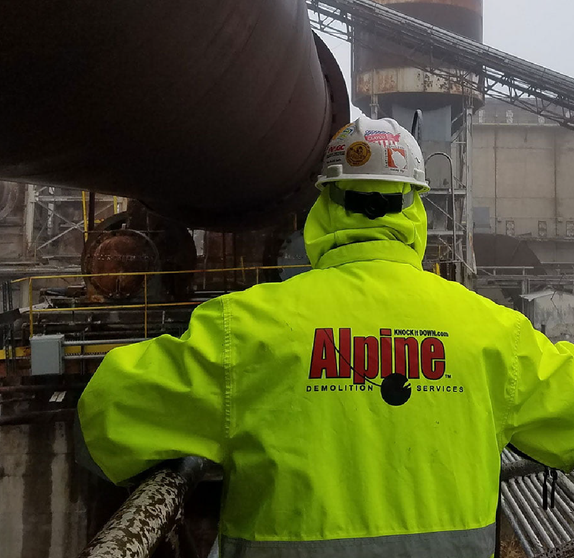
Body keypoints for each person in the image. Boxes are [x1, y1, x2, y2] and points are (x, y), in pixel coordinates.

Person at [77, 116, 574, 557]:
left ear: (325, 205)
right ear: (416, 208)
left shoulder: (245, 330)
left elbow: (106, 414)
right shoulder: (491, 332)